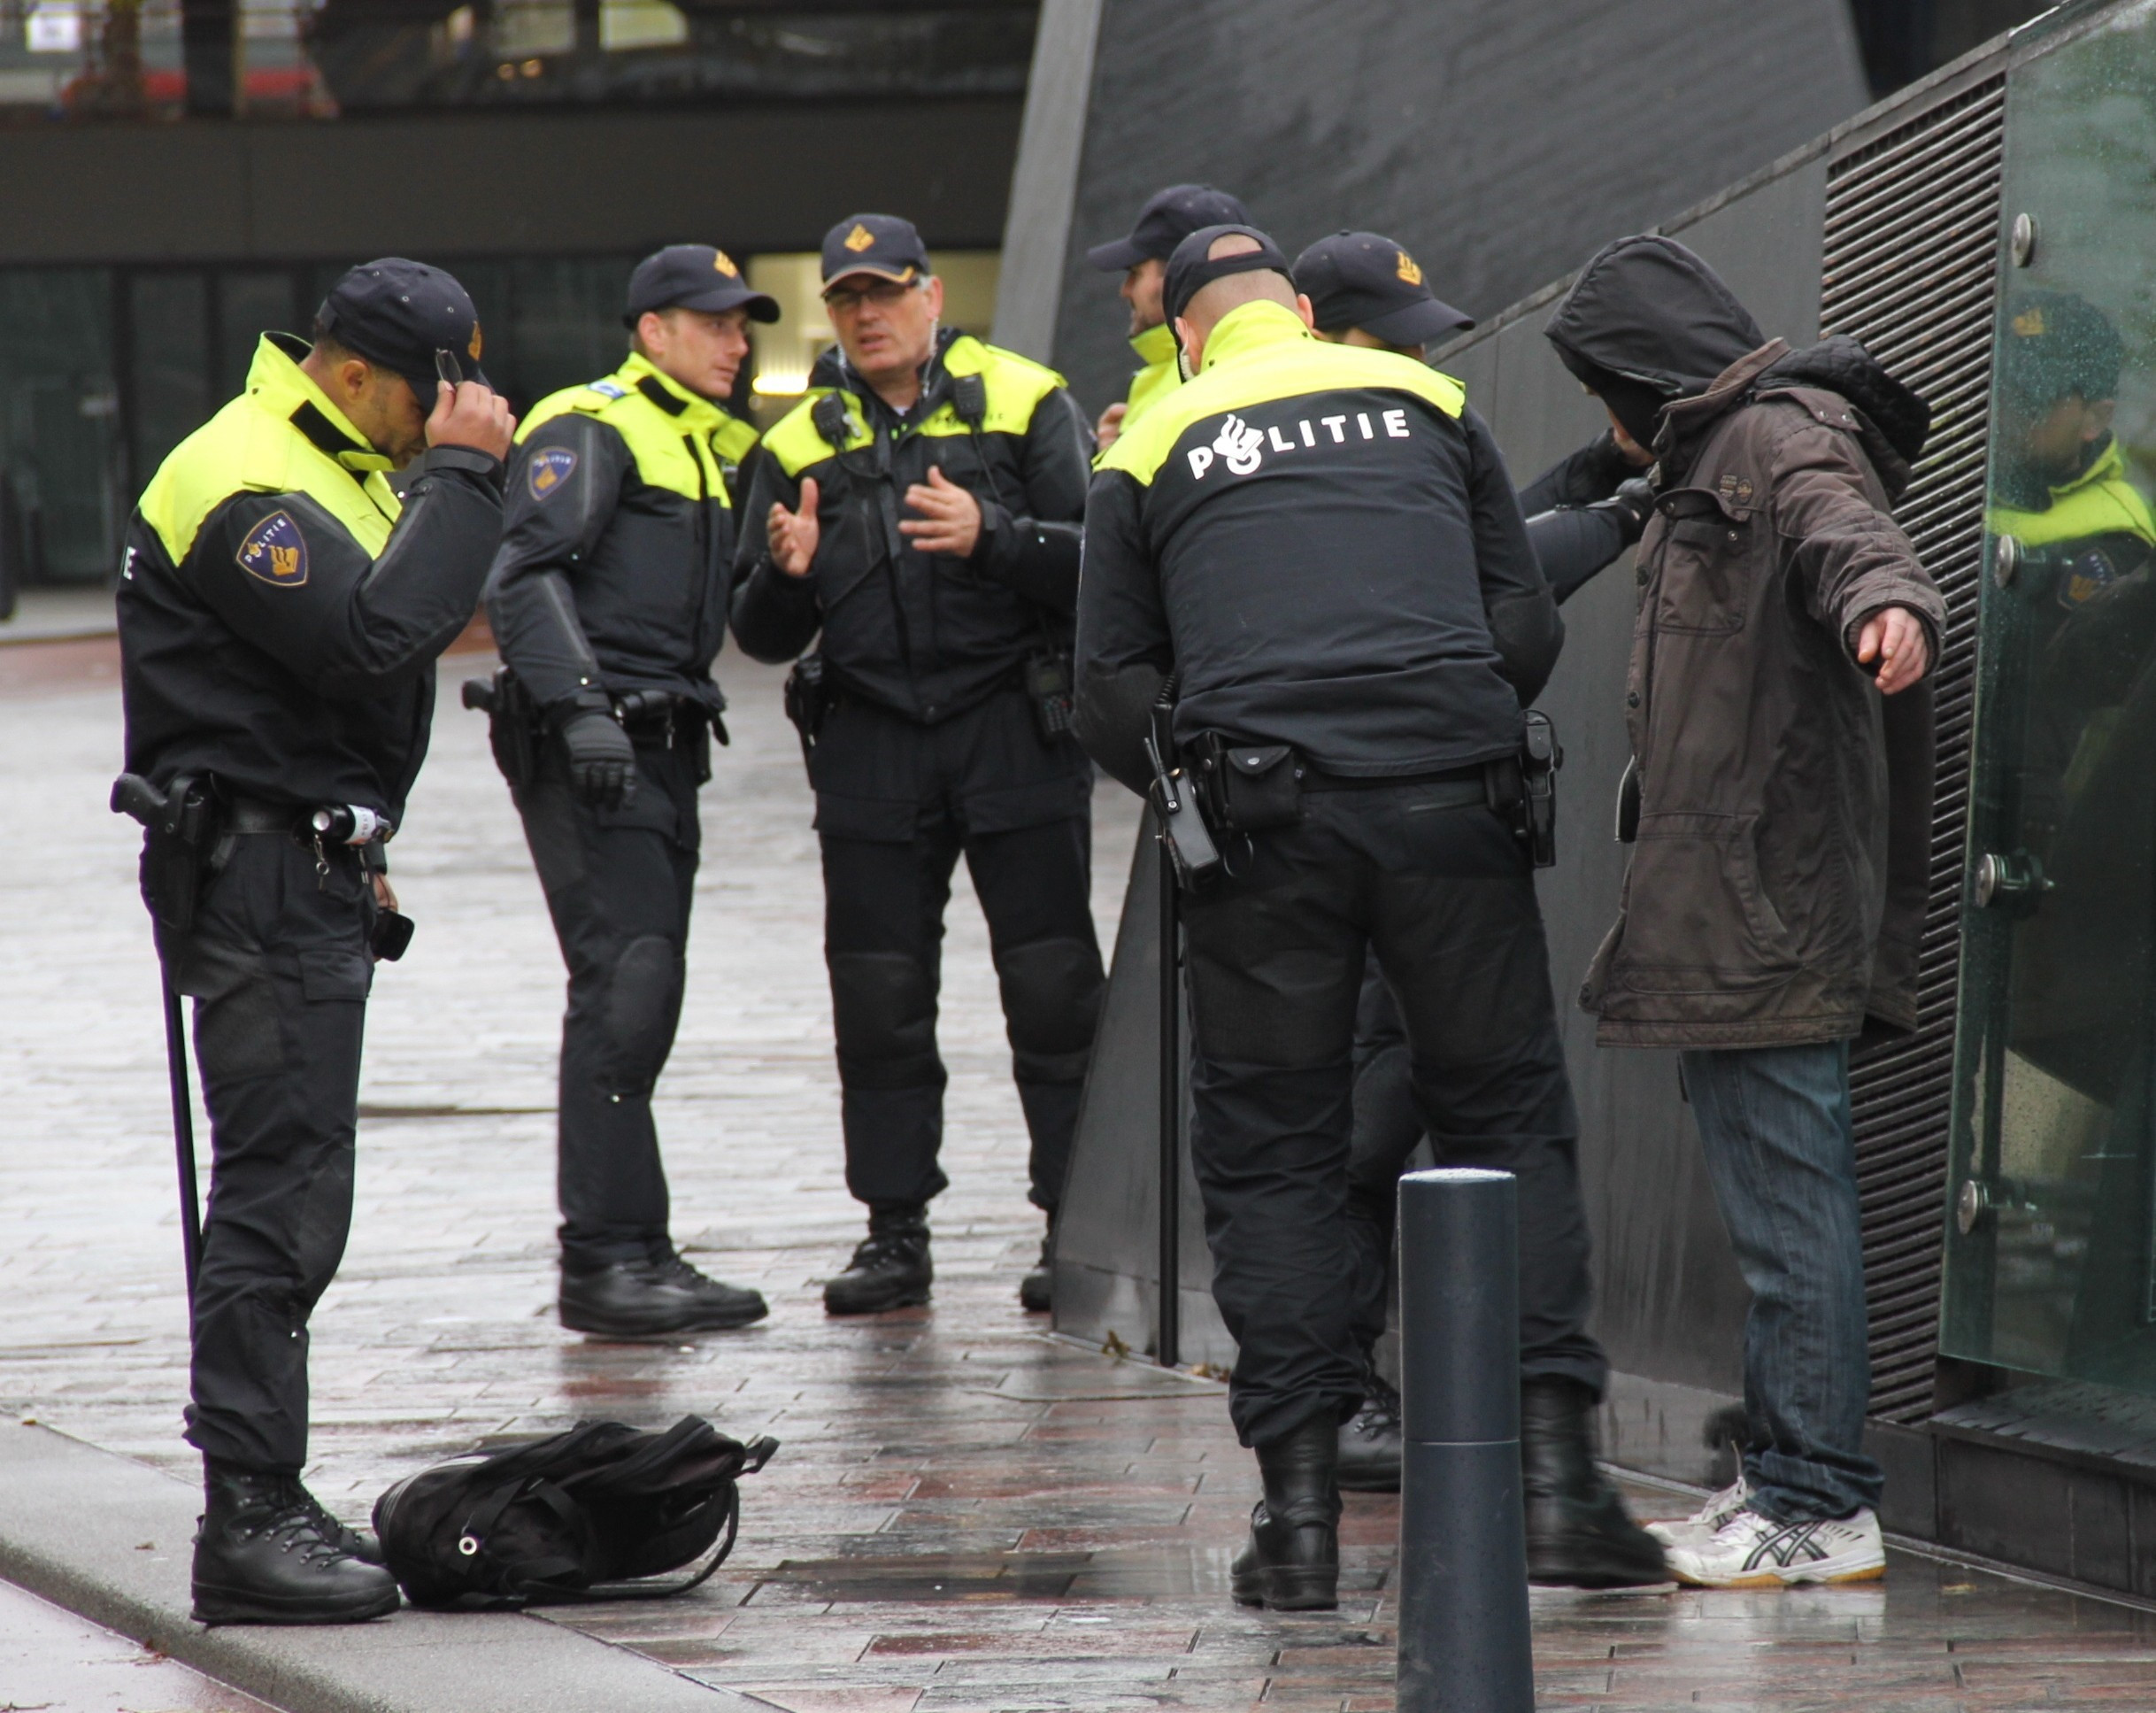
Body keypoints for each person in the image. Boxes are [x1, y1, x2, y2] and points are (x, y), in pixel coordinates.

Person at [1074, 224, 1666, 1611]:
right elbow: (1516, 634)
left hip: (1266, 827)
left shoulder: (1147, 445)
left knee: (1274, 1151)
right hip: (1451, 801)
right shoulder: (1428, 405)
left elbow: (1107, 697)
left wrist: (1225, 741)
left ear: (1197, 332)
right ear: (1301, 312)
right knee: (1506, 1117)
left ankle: (1295, 1528)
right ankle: (1564, 1489)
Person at [1543, 233, 1944, 1587]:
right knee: (1775, 1215)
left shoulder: (1776, 436)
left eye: (1600, 385)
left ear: (1637, 374)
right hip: (1726, 907)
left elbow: (1852, 532)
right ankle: (1783, 1477)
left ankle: (1824, 1498)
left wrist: (1890, 603)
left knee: (1792, 1217)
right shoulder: (1702, 461)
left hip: (1769, 903)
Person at [117, 259, 514, 1624]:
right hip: (255, 878)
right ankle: (246, 1512)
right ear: (351, 369)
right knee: (279, 1194)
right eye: (436, 387)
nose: (453, 409)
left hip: (305, 865)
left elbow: (325, 695)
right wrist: (465, 479)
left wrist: (364, 834)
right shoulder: (243, 472)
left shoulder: (332, 455)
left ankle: (266, 1485)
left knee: (297, 1188)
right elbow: (372, 636)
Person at [1291, 228, 1655, 1498]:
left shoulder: (1365, 433)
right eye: (1385, 340)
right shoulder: (1329, 455)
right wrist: (1620, 513)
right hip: (1361, 836)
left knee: (1398, 1109)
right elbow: (1488, 590)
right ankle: (1350, 1403)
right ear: (1308, 323)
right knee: (1363, 1120)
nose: (1409, 363)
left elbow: (1490, 539)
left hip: (1381, 837)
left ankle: (1385, 1404)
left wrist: (1604, 478)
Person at [731, 214, 1102, 1316]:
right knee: (881, 1001)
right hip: (873, 743)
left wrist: (996, 535)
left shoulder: (1028, 400)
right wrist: (789, 578)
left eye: (885, 292)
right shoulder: (799, 440)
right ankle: (894, 1234)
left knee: (1052, 988)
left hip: (1011, 731)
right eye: (846, 299)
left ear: (933, 299)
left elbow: (1097, 572)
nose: (866, 314)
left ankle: (1070, 1222)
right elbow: (756, 632)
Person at [481, 245, 779, 1339]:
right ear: (653, 329)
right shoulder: (593, 422)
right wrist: (582, 712)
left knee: (640, 995)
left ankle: (635, 1248)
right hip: (597, 748)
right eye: (715, 324)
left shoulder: (699, 443)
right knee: (625, 990)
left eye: (743, 326)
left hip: (656, 744)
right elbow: (523, 572)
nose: (737, 343)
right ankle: (605, 1261)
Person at [1086, 183, 1251, 453]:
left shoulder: (1212, 375)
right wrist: (1112, 460)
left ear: (1178, 276)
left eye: (1136, 273)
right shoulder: (1164, 374)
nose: (1125, 290)